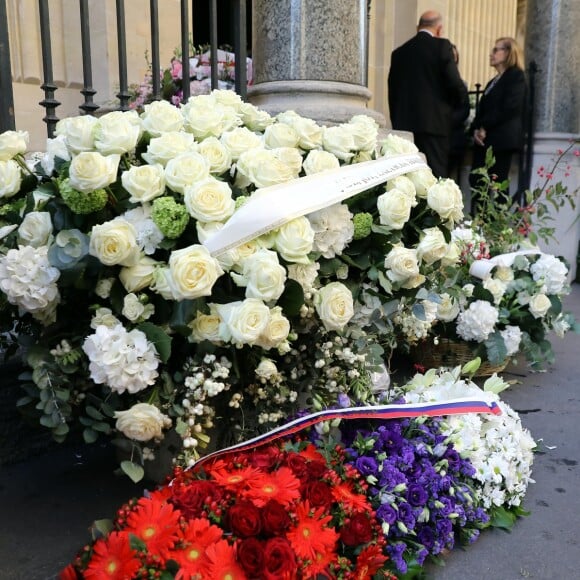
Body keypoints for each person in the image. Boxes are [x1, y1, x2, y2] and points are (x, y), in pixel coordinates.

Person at [388, 10, 469, 178]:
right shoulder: (442, 46)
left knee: (407, 178)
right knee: (435, 177)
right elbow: (455, 84)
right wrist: (455, 114)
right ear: (439, 29)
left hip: (404, 127)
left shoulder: (399, 53)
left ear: (418, 27)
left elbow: (393, 93)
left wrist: (397, 121)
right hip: (436, 127)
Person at [469, 37, 526, 212]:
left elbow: (509, 107)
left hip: (501, 140)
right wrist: (476, 130)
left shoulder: (516, 76)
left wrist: (485, 127)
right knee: (476, 181)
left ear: (509, 53)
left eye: (496, 50)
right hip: (484, 140)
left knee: (498, 183)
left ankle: (495, 227)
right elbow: (482, 110)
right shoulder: (492, 82)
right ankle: (479, 223)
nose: (491, 54)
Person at [447, 44, 471, 183]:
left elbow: (464, 109)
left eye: (455, 57)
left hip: (454, 139)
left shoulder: (461, 84)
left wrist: (446, 122)